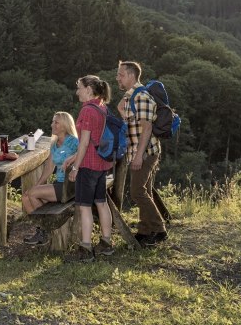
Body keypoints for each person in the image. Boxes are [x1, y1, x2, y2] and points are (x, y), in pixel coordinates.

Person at [116, 61, 167, 247]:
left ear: (131, 76)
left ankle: (159, 229)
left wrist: (138, 155)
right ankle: (145, 231)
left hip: (145, 153)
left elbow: (146, 129)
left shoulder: (142, 97)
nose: (117, 78)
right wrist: (124, 104)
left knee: (138, 192)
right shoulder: (132, 96)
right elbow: (125, 114)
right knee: (144, 191)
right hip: (140, 152)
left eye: (121, 75)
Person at [64, 75, 115, 262]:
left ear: (88, 89)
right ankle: (106, 243)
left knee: (84, 207)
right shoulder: (102, 106)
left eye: (79, 87)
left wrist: (76, 167)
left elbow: (84, 142)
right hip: (102, 164)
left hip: (88, 165)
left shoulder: (87, 111)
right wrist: (73, 156)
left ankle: (86, 249)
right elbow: (93, 140)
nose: (77, 91)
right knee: (101, 203)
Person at [22, 112, 78, 246]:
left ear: (64, 126)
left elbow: (84, 153)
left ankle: (45, 232)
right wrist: (37, 186)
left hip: (69, 186)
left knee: (32, 194)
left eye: (56, 122)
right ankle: (42, 230)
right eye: (53, 121)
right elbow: (48, 169)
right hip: (58, 184)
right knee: (26, 197)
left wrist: (74, 158)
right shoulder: (54, 144)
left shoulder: (73, 141)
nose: (52, 124)